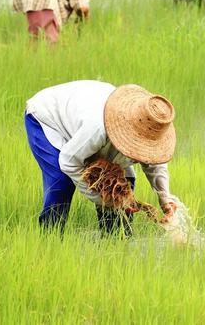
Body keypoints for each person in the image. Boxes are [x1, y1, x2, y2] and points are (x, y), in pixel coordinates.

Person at [24, 80, 180, 235]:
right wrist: (107, 199)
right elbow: (68, 162)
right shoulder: (97, 128)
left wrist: (165, 197)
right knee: (61, 180)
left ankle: (116, 243)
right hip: (48, 118)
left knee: (121, 184)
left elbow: (153, 161)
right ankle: (51, 240)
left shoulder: (147, 124)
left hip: (85, 121)